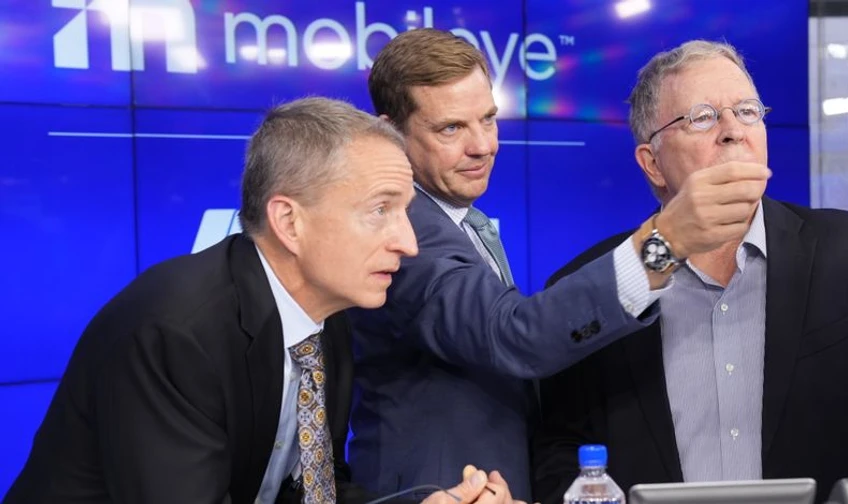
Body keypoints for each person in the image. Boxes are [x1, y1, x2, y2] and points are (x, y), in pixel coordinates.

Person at [3, 97, 519, 504]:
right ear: (289, 221)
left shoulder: (326, 316)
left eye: (405, 211)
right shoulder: (175, 332)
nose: (408, 243)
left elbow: (316, 490)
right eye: (380, 210)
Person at [346, 29, 772, 502]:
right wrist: (665, 243)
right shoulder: (408, 232)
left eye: (488, 120)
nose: (482, 146)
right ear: (391, 133)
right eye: (451, 128)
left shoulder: (462, 222)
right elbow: (513, 336)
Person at [531, 40, 848, 504]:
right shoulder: (593, 287)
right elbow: (557, 457)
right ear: (653, 163)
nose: (732, 131)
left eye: (748, 111)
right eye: (702, 117)